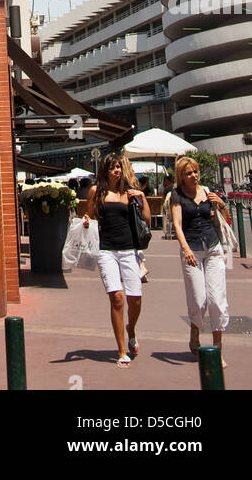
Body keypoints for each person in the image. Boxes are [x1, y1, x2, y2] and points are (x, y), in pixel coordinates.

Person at [84, 151, 151, 367]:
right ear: (105, 170)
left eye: (119, 167)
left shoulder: (129, 193)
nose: (117, 170)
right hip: (107, 251)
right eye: (113, 167)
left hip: (129, 249)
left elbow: (147, 220)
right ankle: (121, 350)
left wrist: (141, 198)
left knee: (136, 298)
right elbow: (91, 217)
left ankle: (131, 328)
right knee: (117, 298)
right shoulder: (96, 192)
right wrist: (86, 220)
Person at [170, 156, 229, 363]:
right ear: (181, 176)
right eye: (189, 173)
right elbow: (177, 225)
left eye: (195, 171)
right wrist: (185, 249)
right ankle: (195, 330)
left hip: (213, 248)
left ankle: (217, 348)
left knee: (216, 300)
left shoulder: (207, 191)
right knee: (198, 299)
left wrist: (221, 204)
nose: (194, 175)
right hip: (191, 250)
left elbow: (224, 217)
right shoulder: (176, 195)